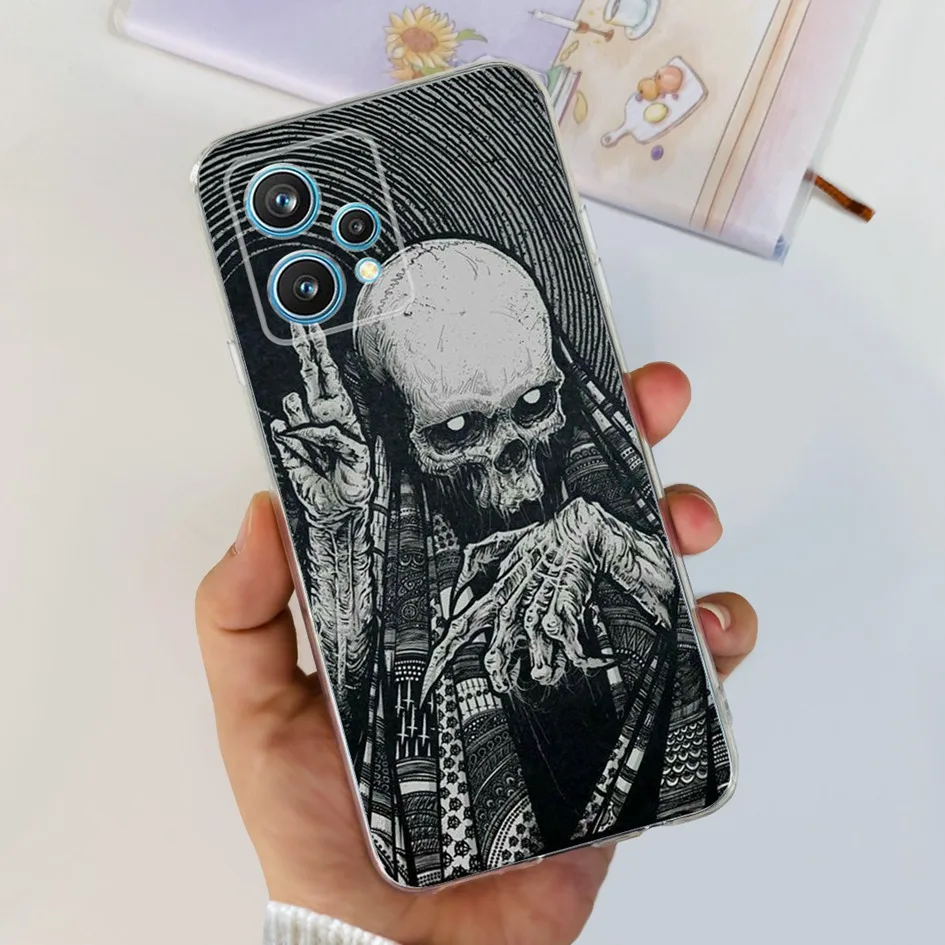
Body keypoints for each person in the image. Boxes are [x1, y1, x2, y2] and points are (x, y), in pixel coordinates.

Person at [196, 361, 758, 945]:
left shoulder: (594, 534)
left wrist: (615, 546)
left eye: (535, 402)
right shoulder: (402, 596)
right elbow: (361, 701)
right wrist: (335, 528)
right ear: (403, 449)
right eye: (457, 429)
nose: (511, 457)